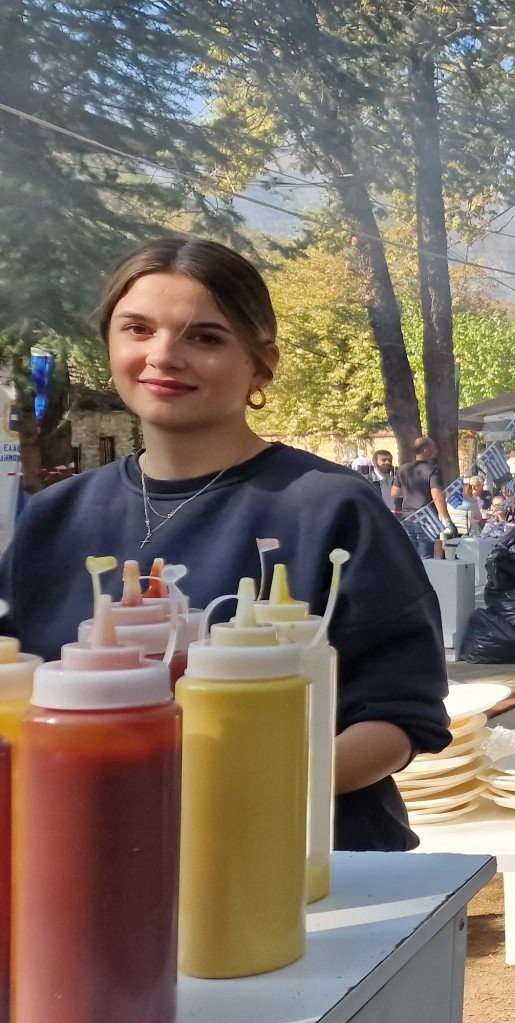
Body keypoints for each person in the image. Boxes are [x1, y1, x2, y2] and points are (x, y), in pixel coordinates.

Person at [0, 236, 449, 852]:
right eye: (137, 329)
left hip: (299, 867)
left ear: (260, 364)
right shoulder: (55, 517)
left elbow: (401, 716)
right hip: (88, 859)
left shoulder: (329, 507)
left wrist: (234, 792)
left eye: (204, 337)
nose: (163, 355)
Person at [395, 436, 454, 560]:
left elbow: (395, 492)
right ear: (426, 450)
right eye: (434, 448)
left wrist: (410, 492)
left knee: (410, 557)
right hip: (426, 518)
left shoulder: (403, 469)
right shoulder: (433, 470)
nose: (436, 451)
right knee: (426, 558)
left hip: (407, 517)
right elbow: (437, 496)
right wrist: (446, 519)